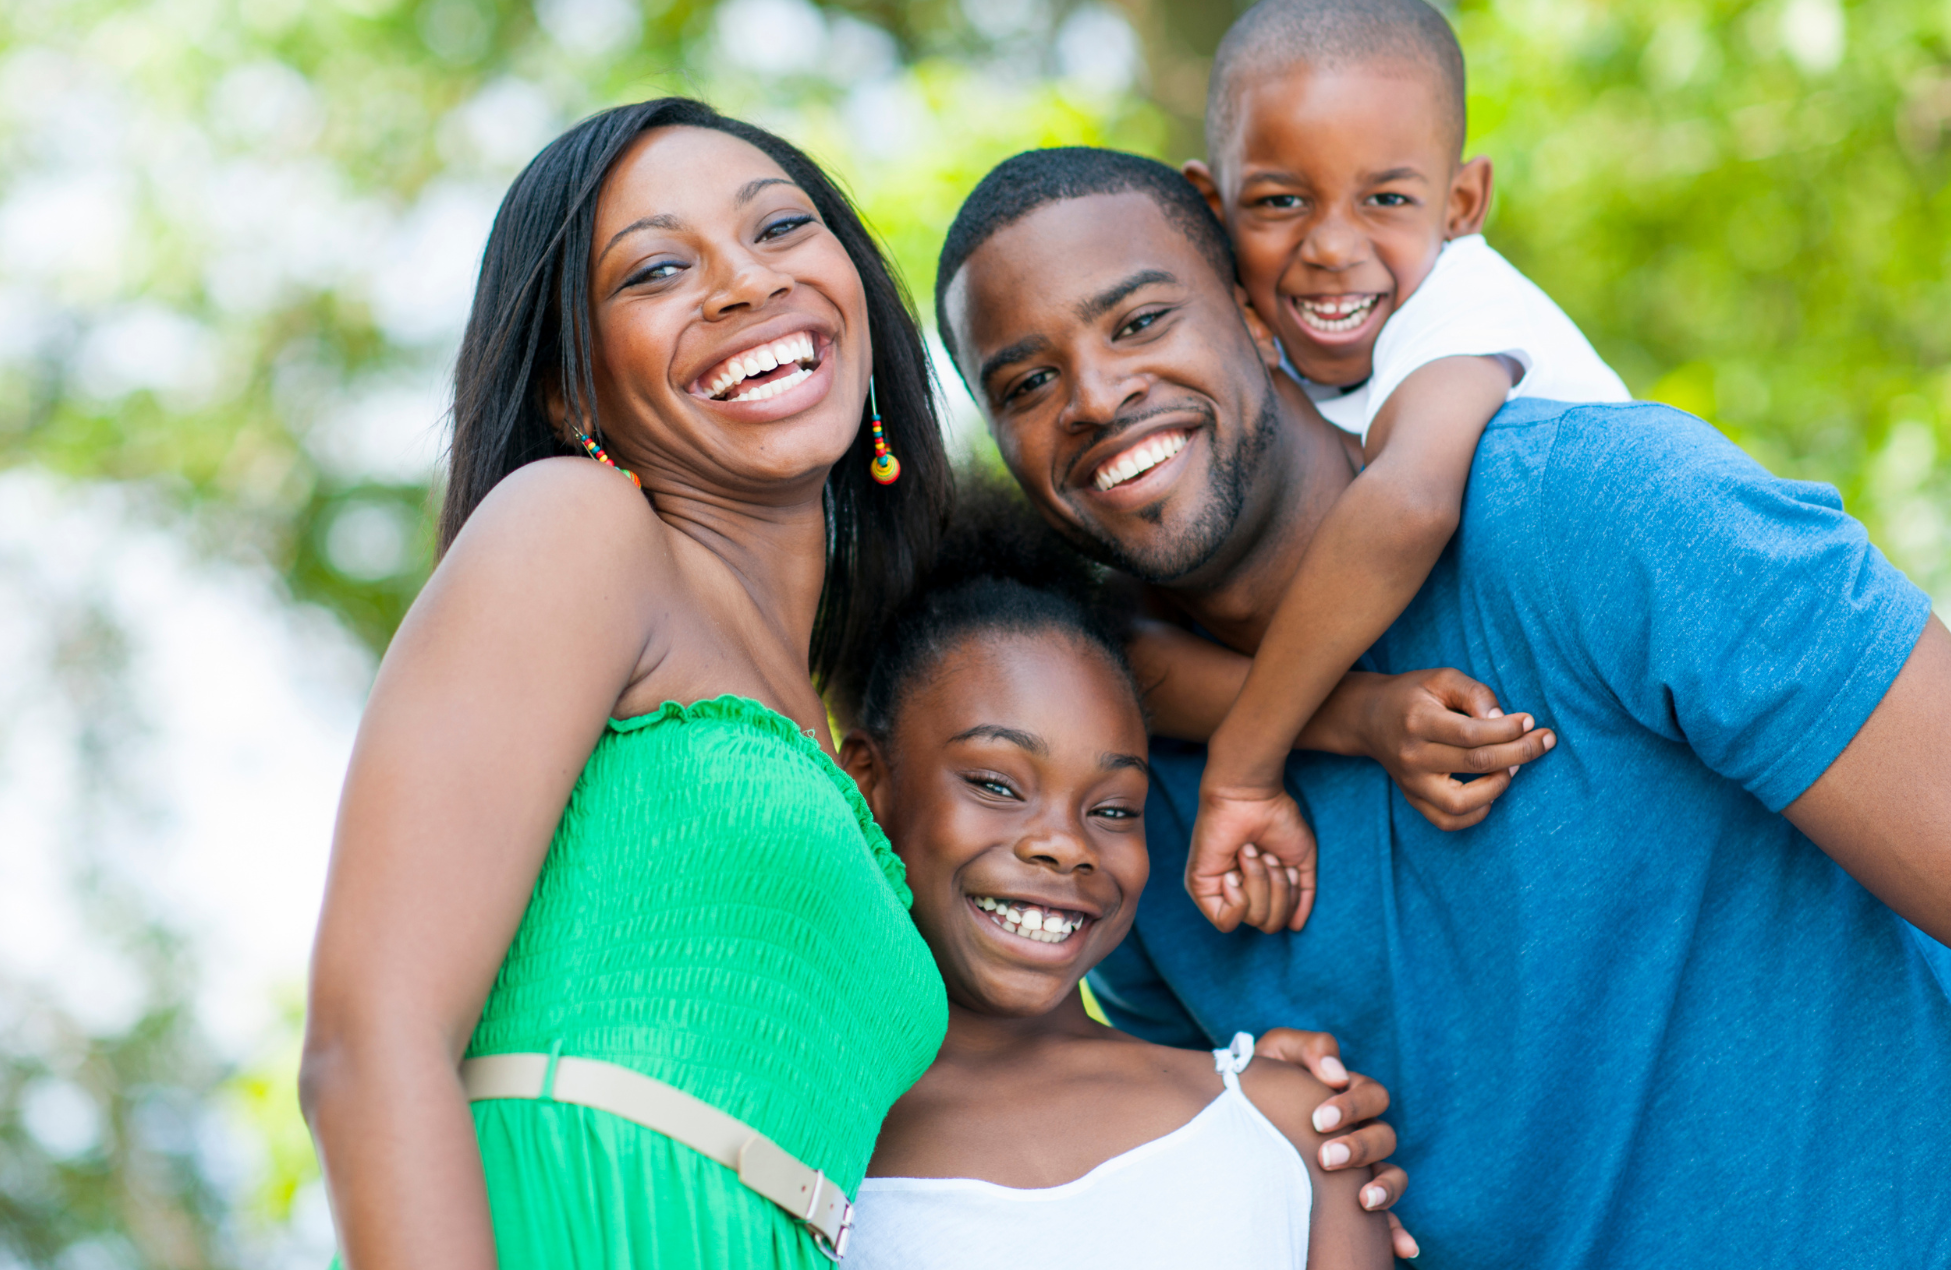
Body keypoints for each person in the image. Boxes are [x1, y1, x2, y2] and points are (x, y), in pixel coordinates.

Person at [932, 144, 1951, 1266]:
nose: (1092, 396)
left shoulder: (1596, 514)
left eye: (1137, 322)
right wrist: (1261, 1122)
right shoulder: (1107, 801)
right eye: (1025, 384)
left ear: (1256, 312)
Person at [299, 97, 960, 1269]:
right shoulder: (579, 526)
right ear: (572, 395)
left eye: (781, 229)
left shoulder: (840, 738)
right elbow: (370, 1040)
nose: (746, 284)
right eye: (655, 268)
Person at [1166, 0, 1630, 931]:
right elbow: (1129, 653)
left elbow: (1409, 502)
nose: (1333, 246)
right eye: (1279, 200)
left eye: (1385, 198)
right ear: (1209, 209)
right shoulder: (1264, 363)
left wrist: (1244, 767)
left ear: (1462, 202)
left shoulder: (1464, 305)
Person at [834, 493, 1392, 1268]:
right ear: (868, 784)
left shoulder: (1286, 1124)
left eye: (1113, 807)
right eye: (996, 784)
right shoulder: (804, 1142)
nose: (1066, 847)